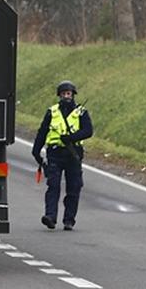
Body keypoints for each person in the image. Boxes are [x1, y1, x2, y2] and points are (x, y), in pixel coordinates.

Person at [32, 80, 93, 231]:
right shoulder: (52, 112)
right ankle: (50, 216)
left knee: (74, 187)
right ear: (59, 95)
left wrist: (72, 138)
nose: (67, 96)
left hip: (73, 154)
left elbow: (88, 131)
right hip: (55, 153)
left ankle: (69, 220)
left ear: (73, 95)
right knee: (53, 186)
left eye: (69, 93)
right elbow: (42, 131)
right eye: (64, 93)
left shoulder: (81, 112)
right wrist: (36, 150)